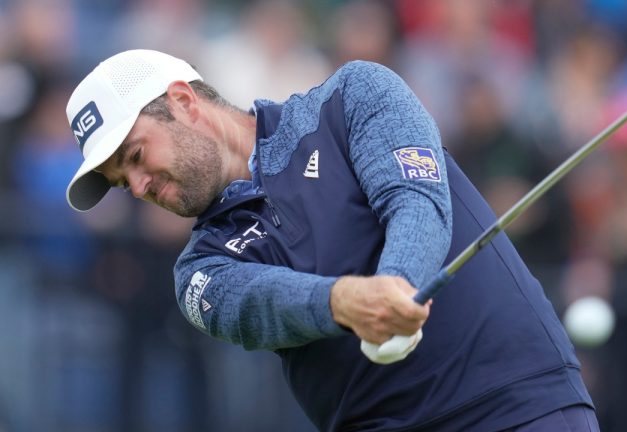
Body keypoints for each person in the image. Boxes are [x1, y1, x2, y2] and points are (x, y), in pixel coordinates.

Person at [64, 49, 599, 431]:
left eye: (135, 157)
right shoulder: (198, 272)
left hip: (519, 400)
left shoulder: (350, 97)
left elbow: (415, 200)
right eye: (120, 183)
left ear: (183, 101)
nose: (137, 187)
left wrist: (399, 285)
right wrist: (346, 301)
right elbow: (267, 304)